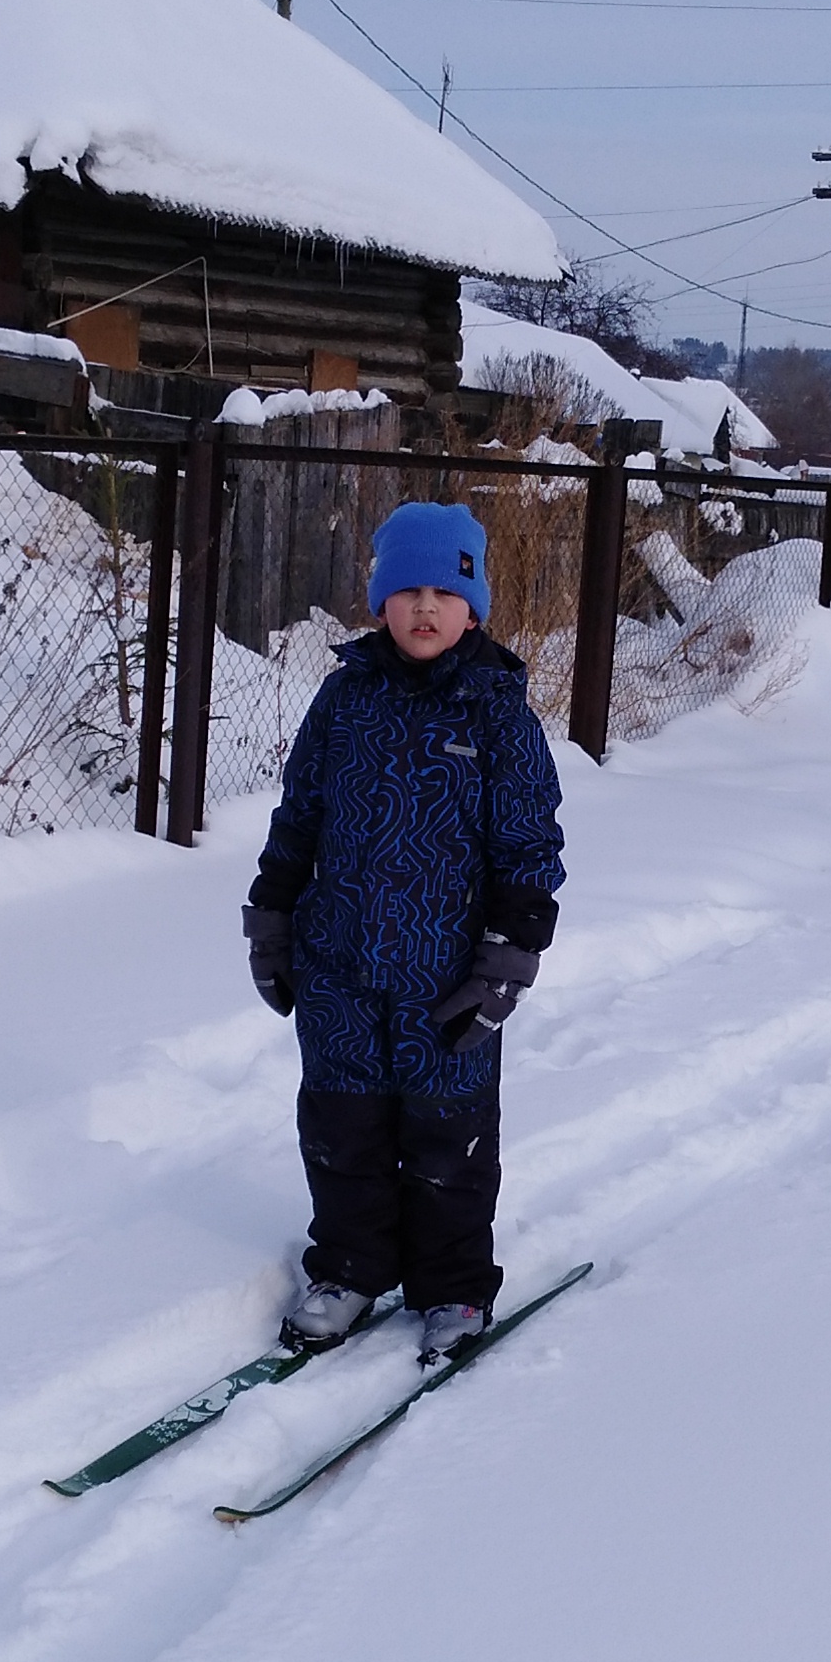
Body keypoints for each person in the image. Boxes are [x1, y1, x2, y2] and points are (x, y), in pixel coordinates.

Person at [243, 502, 564, 1366]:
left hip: (447, 975)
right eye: (407, 590)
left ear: (474, 607)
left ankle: (454, 1287)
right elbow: (299, 816)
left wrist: (507, 961)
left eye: (444, 591)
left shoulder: (499, 713)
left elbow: (530, 849)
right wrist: (271, 922)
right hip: (337, 964)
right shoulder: (343, 700)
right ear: (380, 601)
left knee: (447, 1137)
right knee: (341, 1128)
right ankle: (348, 1269)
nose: (425, 608)